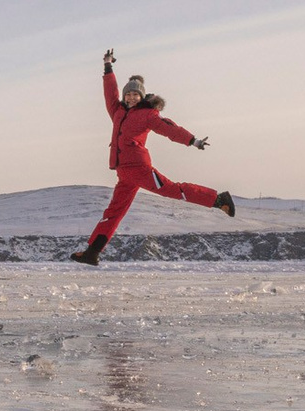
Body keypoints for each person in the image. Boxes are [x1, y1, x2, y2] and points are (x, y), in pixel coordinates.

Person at [72, 49, 232, 264]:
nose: (130, 97)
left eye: (135, 95)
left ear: (141, 96)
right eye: (128, 94)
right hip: (124, 172)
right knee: (113, 212)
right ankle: (92, 252)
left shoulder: (147, 114)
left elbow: (168, 128)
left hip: (139, 168)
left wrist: (192, 140)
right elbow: (109, 92)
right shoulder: (117, 111)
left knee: (171, 189)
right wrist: (108, 66)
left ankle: (217, 199)